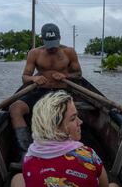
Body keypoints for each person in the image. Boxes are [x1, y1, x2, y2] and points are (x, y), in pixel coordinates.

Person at [11, 91, 122, 187]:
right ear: (56, 128)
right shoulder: (89, 155)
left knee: (17, 179)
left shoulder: (29, 156)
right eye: (73, 118)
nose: (80, 122)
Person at [9, 23, 82, 158]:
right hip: (40, 92)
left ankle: (67, 150)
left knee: (58, 114)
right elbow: (25, 77)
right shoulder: (34, 53)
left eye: (54, 43)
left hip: (61, 93)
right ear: (43, 40)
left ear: (59, 38)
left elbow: (78, 75)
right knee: (15, 109)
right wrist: (33, 79)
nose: (52, 48)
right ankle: (26, 152)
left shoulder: (69, 52)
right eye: (49, 44)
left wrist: (65, 76)